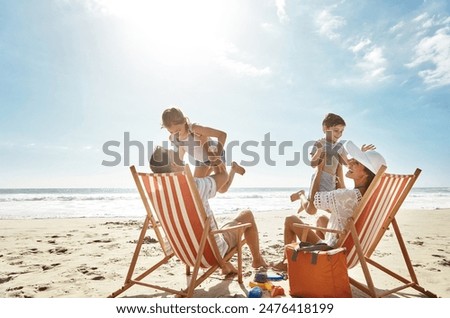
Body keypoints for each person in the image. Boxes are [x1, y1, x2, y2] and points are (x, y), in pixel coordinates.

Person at [149, 145, 268, 275]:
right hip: (210, 253)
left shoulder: (157, 194)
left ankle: (226, 266)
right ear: (173, 164)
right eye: (176, 155)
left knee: (208, 223)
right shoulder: (194, 186)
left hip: (183, 252)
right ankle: (257, 260)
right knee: (247, 215)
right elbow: (223, 177)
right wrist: (214, 157)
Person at [274, 141, 386, 271]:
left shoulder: (348, 196)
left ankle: (286, 263)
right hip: (354, 250)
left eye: (356, 162)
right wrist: (353, 161)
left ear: (367, 173)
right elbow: (343, 190)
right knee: (321, 219)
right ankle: (315, 263)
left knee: (290, 219)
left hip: (335, 252)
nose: (350, 163)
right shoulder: (368, 195)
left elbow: (315, 201)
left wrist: (319, 170)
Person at [290, 113, 375, 215]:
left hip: (332, 180)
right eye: (336, 130)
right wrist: (319, 151)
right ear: (326, 128)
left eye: (341, 131)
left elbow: (347, 163)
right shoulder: (320, 143)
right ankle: (301, 195)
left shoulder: (340, 147)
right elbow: (313, 164)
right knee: (311, 210)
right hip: (319, 180)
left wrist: (360, 154)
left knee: (335, 209)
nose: (339, 134)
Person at [161, 107, 245, 193]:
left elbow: (222, 135)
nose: (176, 134)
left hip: (214, 153)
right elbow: (181, 153)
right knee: (197, 189)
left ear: (184, 121)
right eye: (171, 132)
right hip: (201, 160)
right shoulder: (174, 138)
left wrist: (216, 155)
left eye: (178, 130)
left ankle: (233, 169)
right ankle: (212, 168)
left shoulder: (195, 129)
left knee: (222, 189)